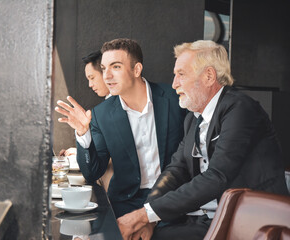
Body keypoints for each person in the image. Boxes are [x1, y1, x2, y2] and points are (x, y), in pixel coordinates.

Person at [117, 40, 288, 240]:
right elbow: (176, 169)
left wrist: (142, 216)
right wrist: (149, 217)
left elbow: (217, 176)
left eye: (181, 74)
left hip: (252, 221)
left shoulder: (240, 109)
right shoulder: (193, 118)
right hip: (208, 216)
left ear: (208, 76)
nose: (174, 84)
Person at [55, 38, 186, 218]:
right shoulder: (101, 114)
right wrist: (83, 133)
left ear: (137, 69)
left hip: (170, 200)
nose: (107, 76)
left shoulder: (174, 99)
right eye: (103, 68)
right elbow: (92, 172)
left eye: (115, 67)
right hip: (125, 205)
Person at [59, 50, 110, 157]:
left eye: (92, 78)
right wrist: (81, 152)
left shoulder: (124, 105)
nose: (90, 85)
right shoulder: (105, 108)